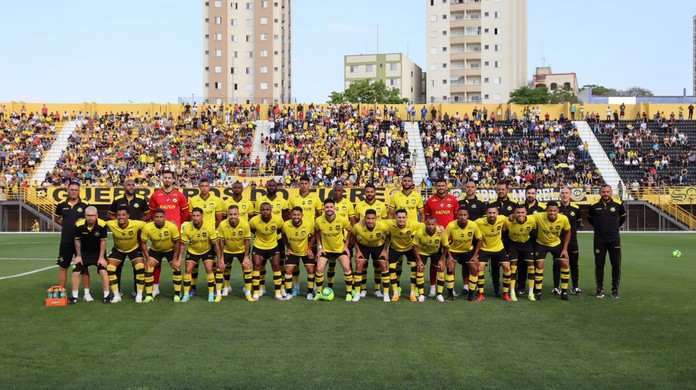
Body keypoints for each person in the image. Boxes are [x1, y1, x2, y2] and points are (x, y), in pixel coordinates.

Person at [148, 170, 189, 296]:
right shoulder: (155, 195)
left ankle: (177, 291)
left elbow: (186, 213)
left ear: (173, 179)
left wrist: (177, 224)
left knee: (176, 263)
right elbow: (152, 213)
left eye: (169, 178)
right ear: (162, 179)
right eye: (165, 177)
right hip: (159, 234)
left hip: (174, 235)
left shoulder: (180, 195)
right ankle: (155, 288)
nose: (167, 180)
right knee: (156, 262)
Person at [108, 179, 150, 296]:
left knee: (137, 265)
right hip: (121, 237)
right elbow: (109, 214)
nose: (131, 187)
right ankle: (118, 290)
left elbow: (148, 214)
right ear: (123, 187)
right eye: (128, 185)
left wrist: (136, 224)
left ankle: (137, 290)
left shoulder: (141, 200)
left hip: (137, 236)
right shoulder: (117, 200)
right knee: (117, 266)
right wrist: (119, 222)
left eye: (133, 185)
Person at [587, 184, 626, 299]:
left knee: (616, 265)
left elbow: (623, 217)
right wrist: (599, 227)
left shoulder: (618, 204)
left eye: (608, 192)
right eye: (603, 192)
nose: (605, 194)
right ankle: (599, 289)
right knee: (599, 265)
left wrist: (614, 227)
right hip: (599, 239)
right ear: (600, 193)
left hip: (614, 239)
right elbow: (590, 218)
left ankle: (615, 289)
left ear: (611, 192)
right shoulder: (593, 205)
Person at [177, 207, 224, 303]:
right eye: (193, 216)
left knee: (209, 269)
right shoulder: (187, 228)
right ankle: (186, 294)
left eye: (198, 215)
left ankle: (211, 294)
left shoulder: (209, 226)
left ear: (202, 216)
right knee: (188, 269)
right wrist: (178, 259)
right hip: (193, 251)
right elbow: (182, 246)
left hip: (207, 250)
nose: (195, 218)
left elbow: (215, 244)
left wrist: (219, 259)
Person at [188, 178, 224, 296]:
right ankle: (192, 287)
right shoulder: (193, 200)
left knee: (211, 264)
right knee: (194, 264)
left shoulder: (217, 200)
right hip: (197, 235)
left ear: (210, 187)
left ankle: (213, 287)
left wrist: (211, 230)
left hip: (211, 235)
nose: (204, 188)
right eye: (202, 185)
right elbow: (191, 217)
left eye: (206, 185)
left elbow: (219, 219)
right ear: (199, 187)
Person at [423, 178, 459, 297]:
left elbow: (456, 218)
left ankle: (450, 287)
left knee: (450, 263)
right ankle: (433, 287)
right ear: (435, 187)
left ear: (446, 187)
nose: (441, 188)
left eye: (443, 186)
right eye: (439, 186)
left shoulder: (453, 200)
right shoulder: (430, 200)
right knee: (435, 263)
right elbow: (427, 219)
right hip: (435, 236)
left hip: (449, 236)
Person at [314, 198, 354, 301]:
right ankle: (318, 293)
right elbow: (317, 232)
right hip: (326, 250)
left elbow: (350, 230)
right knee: (319, 269)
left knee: (346, 267)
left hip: (339, 250)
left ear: (335, 208)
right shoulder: (318, 220)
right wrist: (320, 247)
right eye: (327, 207)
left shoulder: (342, 220)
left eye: (331, 207)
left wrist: (346, 246)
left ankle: (349, 293)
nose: (329, 209)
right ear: (323, 208)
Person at [105, 206, 147, 303]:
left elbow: (150, 225)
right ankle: (116, 295)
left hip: (134, 249)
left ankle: (139, 295)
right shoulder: (111, 224)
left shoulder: (136, 224)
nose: (121, 217)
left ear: (128, 215)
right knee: (110, 268)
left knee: (140, 267)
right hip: (118, 249)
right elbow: (97, 223)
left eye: (123, 215)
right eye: (119, 215)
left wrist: (169, 222)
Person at [255, 180, 290, 297]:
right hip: (263, 238)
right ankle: (261, 287)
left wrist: (277, 233)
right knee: (261, 263)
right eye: (269, 185)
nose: (271, 187)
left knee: (280, 264)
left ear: (277, 187)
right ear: (266, 186)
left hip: (278, 238)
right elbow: (256, 221)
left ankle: (282, 288)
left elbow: (285, 221)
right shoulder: (260, 201)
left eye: (273, 185)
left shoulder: (283, 201)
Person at [532, 201, 572, 301]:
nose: (552, 213)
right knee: (540, 265)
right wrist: (513, 215)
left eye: (554, 211)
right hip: (541, 243)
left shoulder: (563, 219)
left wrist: (565, 249)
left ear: (558, 210)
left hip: (556, 244)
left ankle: (564, 292)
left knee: (565, 263)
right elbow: (525, 218)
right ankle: (538, 291)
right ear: (546, 210)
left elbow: (568, 231)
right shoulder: (538, 216)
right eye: (550, 210)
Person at [139, 209, 182, 302]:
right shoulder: (147, 227)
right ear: (153, 218)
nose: (159, 219)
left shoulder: (171, 226)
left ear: (164, 218)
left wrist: (175, 259)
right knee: (148, 267)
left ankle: (177, 294)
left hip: (170, 250)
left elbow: (178, 242)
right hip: (156, 250)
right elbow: (143, 242)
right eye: (157, 217)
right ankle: (149, 295)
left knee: (176, 268)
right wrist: (148, 258)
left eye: (161, 217)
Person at [69, 206, 110, 304]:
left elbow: (103, 242)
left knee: (103, 271)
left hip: (98, 253)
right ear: (85, 216)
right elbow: (77, 240)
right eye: (88, 215)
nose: (90, 217)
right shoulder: (78, 225)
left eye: (93, 215)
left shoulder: (102, 224)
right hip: (83, 253)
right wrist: (78, 256)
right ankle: (74, 296)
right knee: (76, 271)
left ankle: (107, 296)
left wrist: (101, 258)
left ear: (97, 215)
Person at [54, 181, 89, 291]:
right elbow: (57, 218)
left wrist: (84, 221)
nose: (73, 192)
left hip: (82, 241)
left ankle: (87, 293)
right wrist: (66, 224)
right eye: (72, 189)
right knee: (63, 267)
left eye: (76, 190)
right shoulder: (61, 205)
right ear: (68, 191)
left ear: (79, 191)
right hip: (66, 240)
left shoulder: (85, 205)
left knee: (84, 267)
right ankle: (61, 291)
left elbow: (91, 220)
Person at [354, 183, 388, 296]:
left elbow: (385, 223)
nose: (369, 194)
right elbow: (356, 223)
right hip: (364, 241)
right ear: (365, 193)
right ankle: (363, 289)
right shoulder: (359, 206)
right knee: (362, 265)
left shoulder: (381, 206)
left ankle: (377, 290)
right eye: (367, 192)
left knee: (378, 265)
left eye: (371, 192)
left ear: (375, 193)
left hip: (378, 241)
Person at [383, 209, 423, 302]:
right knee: (392, 269)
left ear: (407, 218)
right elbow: (377, 222)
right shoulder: (390, 223)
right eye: (399, 217)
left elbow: (427, 225)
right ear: (395, 218)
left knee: (414, 268)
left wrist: (439, 228)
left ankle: (412, 292)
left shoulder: (413, 224)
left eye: (403, 217)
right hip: (395, 248)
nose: (401, 220)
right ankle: (395, 292)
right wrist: (362, 221)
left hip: (409, 248)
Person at [351, 209, 391, 302]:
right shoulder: (358, 226)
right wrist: (357, 251)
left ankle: (384, 293)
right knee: (360, 264)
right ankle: (358, 293)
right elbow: (353, 236)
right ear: (364, 218)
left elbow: (389, 236)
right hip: (364, 246)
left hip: (378, 246)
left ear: (376, 219)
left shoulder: (382, 226)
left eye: (372, 218)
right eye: (368, 218)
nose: (370, 221)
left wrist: (385, 250)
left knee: (383, 265)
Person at [223, 181, 256, 292]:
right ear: (232, 189)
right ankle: (227, 286)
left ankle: (246, 287)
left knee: (245, 264)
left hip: (243, 237)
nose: (237, 189)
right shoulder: (226, 202)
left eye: (239, 187)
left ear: (242, 189)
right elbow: (224, 218)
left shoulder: (248, 203)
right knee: (227, 264)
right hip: (229, 237)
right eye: (235, 187)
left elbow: (251, 218)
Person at [249, 202, 285, 300]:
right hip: (258, 246)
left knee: (276, 267)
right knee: (257, 267)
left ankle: (278, 293)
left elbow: (280, 230)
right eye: (263, 210)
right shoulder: (253, 220)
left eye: (267, 209)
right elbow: (252, 230)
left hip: (273, 246)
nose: (265, 211)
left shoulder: (278, 219)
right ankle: (256, 292)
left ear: (271, 210)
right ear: (260, 211)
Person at [474, 205, 511, 301]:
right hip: (484, 249)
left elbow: (512, 217)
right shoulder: (479, 222)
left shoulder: (502, 219)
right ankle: (481, 294)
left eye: (494, 213)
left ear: (497, 214)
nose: (492, 215)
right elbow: (469, 225)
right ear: (486, 214)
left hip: (499, 248)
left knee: (507, 267)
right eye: (489, 213)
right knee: (479, 268)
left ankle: (506, 293)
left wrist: (513, 216)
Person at [445, 208, 483, 302]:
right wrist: (449, 256)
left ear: (468, 216)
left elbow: (480, 239)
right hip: (453, 251)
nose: (462, 217)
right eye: (460, 215)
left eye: (464, 215)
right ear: (457, 216)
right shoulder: (451, 225)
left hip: (468, 251)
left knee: (474, 270)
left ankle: (471, 295)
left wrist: (475, 255)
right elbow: (444, 241)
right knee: (450, 269)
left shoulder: (473, 225)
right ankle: (450, 295)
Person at [217, 205, 253, 301]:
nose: (233, 216)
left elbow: (248, 241)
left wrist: (246, 257)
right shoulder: (222, 224)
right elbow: (221, 242)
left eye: (235, 214)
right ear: (228, 215)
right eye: (230, 214)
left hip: (241, 250)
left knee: (247, 266)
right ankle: (223, 290)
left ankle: (248, 293)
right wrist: (220, 258)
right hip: (227, 250)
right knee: (220, 268)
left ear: (238, 214)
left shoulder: (245, 224)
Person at [487, 181, 517, 297]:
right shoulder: (491, 204)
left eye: (503, 189)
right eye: (499, 189)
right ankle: (496, 289)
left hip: (510, 240)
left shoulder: (514, 204)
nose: (500, 191)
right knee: (495, 266)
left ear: (507, 190)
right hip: (495, 240)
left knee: (511, 265)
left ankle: (512, 288)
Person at [325, 182, 356, 290]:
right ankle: (330, 286)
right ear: (333, 191)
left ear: (342, 192)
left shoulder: (348, 204)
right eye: (335, 190)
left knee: (348, 263)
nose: (337, 192)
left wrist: (352, 237)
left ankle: (351, 287)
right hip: (330, 239)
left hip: (345, 239)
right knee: (331, 264)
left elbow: (352, 221)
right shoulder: (328, 203)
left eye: (339, 190)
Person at [281, 206, 316, 300]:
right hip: (292, 251)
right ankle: (290, 292)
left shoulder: (308, 225)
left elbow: (314, 236)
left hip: (305, 251)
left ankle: (310, 293)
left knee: (310, 269)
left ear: (302, 215)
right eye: (294, 214)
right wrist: (288, 247)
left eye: (298, 215)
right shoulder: (286, 225)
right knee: (288, 270)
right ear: (290, 215)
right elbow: (283, 235)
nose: (296, 216)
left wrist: (309, 248)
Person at [413, 216, 449, 302]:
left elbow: (446, 247)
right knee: (420, 269)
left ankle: (439, 294)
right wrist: (418, 260)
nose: (430, 226)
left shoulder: (441, 232)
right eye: (428, 224)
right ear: (425, 224)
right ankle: (421, 294)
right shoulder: (419, 232)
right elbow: (414, 246)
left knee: (440, 268)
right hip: (422, 252)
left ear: (436, 224)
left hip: (435, 252)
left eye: (433, 224)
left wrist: (441, 260)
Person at [516, 185, 545, 292]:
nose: (530, 195)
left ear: (536, 194)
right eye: (529, 193)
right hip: (522, 240)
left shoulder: (541, 207)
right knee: (521, 264)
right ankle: (521, 286)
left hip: (536, 241)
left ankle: (536, 288)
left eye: (533, 193)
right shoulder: (520, 206)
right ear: (525, 194)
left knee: (536, 264)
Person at [554, 187, 583, 295]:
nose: (564, 195)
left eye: (566, 193)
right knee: (557, 263)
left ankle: (575, 287)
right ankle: (556, 287)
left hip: (573, 241)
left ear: (570, 195)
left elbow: (578, 222)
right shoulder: (556, 208)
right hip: (558, 241)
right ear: (560, 195)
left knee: (574, 264)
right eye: (562, 193)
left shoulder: (576, 208)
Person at [506, 205, 538, 301]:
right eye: (518, 212)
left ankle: (531, 293)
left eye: (522, 212)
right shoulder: (508, 221)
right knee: (513, 267)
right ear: (514, 213)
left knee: (532, 267)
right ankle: (512, 292)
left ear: (526, 213)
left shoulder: (532, 220)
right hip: (513, 245)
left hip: (526, 244)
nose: (520, 215)